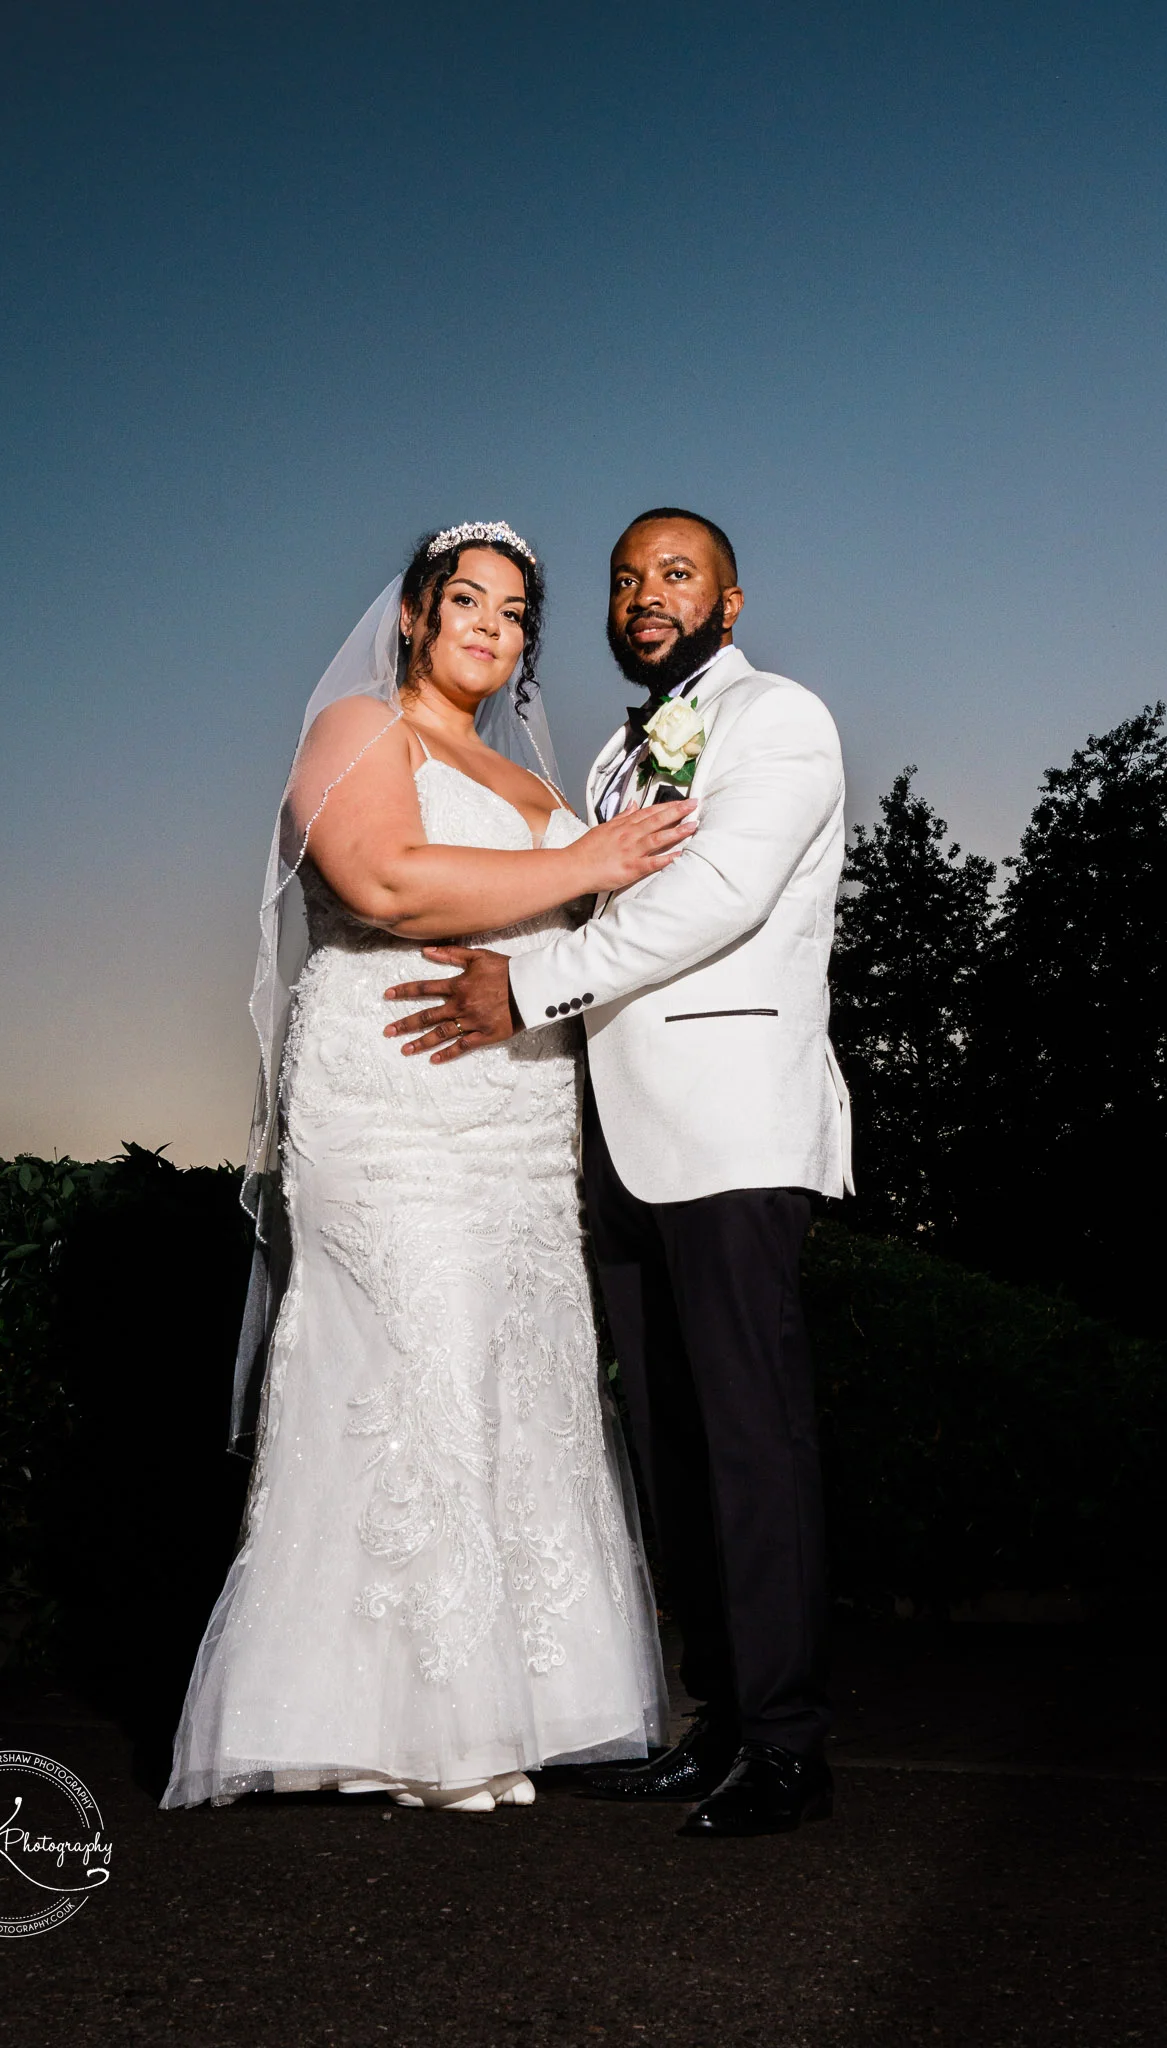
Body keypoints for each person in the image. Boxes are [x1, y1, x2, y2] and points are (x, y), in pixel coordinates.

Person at [163, 521, 691, 1814]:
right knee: (419, 1370)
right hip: (394, 1095)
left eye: (515, 613)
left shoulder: (525, 778)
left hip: (516, 1119)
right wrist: (586, 862)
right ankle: (416, 1731)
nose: (491, 627)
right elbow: (384, 879)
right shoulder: (357, 729)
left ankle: (525, 1707)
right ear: (413, 613)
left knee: (522, 1382)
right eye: (468, 600)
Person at [385, 508, 852, 1838]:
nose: (647, 594)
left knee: (753, 1442)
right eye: (627, 579)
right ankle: (716, 1726)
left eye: (677, 575)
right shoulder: (611, 753)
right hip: (619, 1140)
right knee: (677, 1443)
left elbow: (719, 897)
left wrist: (522, 986)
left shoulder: (782, 721)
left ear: (732, 600)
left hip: (732, 1133)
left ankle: (787, 1747)